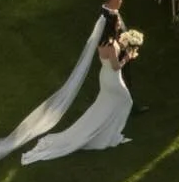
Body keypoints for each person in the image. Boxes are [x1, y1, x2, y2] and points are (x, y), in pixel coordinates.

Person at [21, 11, 137, 165]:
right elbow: (116, 66)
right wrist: (127, 57)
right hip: (113, 78)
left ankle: (106, 129)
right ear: (112, 25)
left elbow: (109, 60)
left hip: (105, 76)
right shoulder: (111, 44)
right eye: (117, 22)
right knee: (126, 100)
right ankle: (108, 133)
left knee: (104, 104)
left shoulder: (103, 42)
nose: (119, 24)